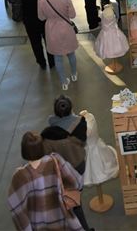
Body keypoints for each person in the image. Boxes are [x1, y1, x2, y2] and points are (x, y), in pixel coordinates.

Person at [7, 131, 83, 231]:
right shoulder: (56, 161)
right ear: (41, 147)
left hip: (37, 225)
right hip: (61, 219)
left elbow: (15, 207)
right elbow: (76, 182)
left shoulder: (20, 176)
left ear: (24, 150)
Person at [40, 96, 91, 231]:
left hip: (61, 172)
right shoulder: (80, 123)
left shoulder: (47, 134)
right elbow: (83, 140)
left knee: (69, 199)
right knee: (76, 197)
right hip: (78, 164)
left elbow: (46, 156)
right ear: (71, 109)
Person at [38, 0, 78, 91]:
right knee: (71, 54)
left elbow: (41, 17)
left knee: (58, 57)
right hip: (66, 28)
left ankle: (63, 82)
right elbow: (73, 14)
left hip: (51, 30)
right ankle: (74, 74)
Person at [18, 0, 52, 69]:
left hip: (29, 18)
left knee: (35, 42)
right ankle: (52, 62)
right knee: (48, 40)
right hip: (43, 17)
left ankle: (41, 62)